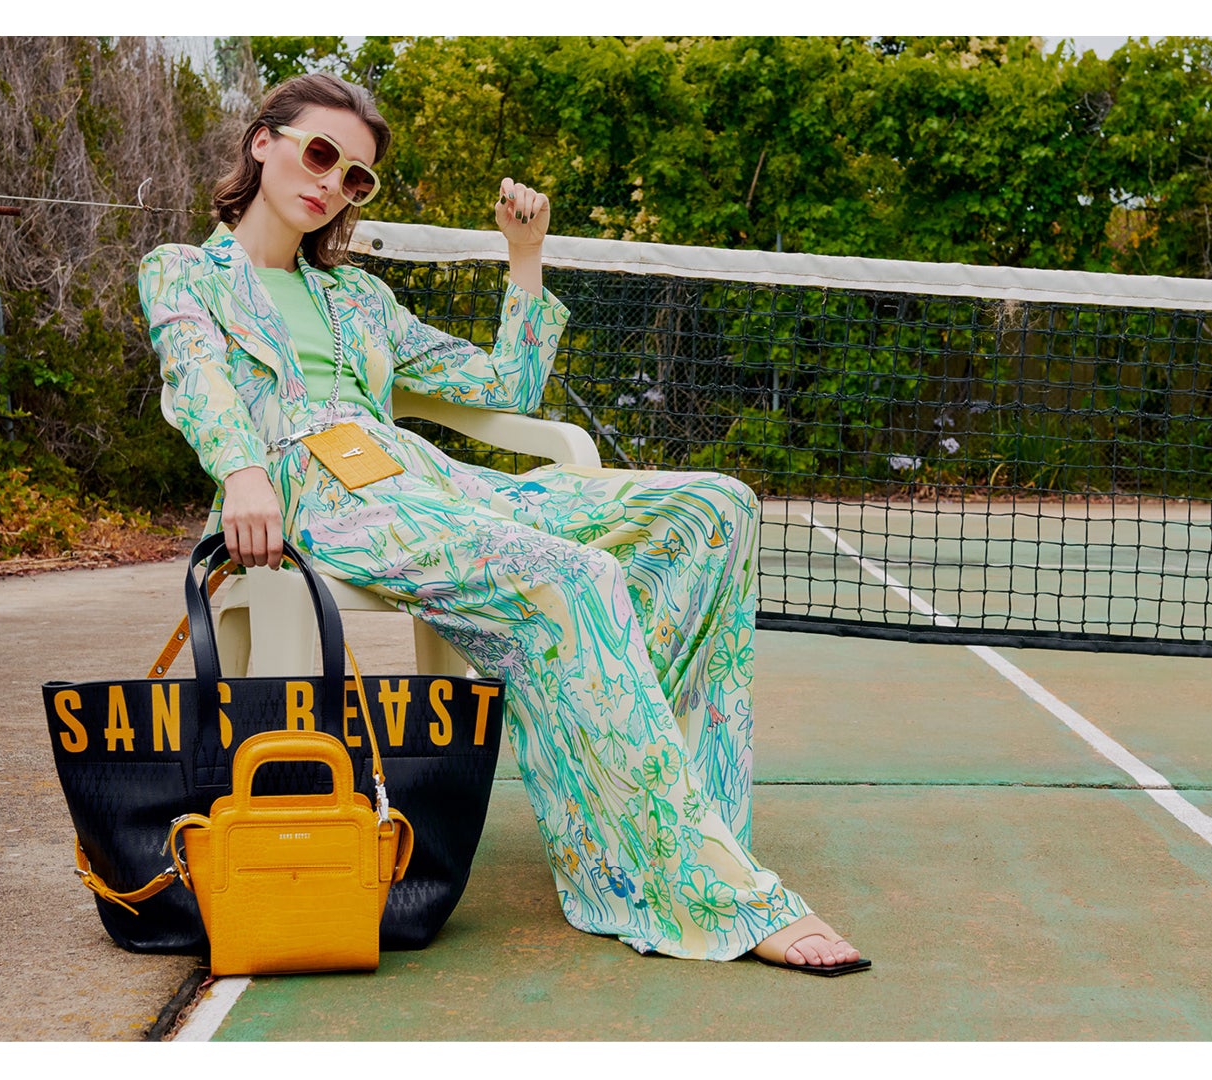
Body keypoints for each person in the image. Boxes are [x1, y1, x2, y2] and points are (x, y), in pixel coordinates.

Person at [136, 72, 866, 975]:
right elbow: (195, 372)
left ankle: (661, 809)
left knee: (713, 507)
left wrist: (525, 255)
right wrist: (242, 471)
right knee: (578, 579)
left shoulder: (357, 298)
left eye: (355, 177)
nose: (331, 183)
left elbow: (502, 389)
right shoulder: (184, 272)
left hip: (425, 482)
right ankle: (705, 883)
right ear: (264, 142)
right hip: (310, 495)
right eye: (320, 152)